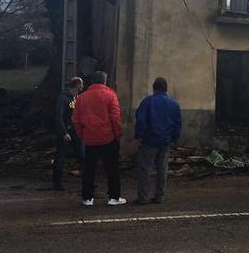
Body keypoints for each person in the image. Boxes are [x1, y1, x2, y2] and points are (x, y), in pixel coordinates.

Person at [72, 71, 126, 207]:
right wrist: (117, 134)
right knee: (112, 168)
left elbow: (76, 120)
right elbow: (115, 117)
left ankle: (87, 198)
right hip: (108, 138)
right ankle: (114, 196)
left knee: (89, 169)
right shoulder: (110, 95)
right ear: (105, 81)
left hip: (90, 138)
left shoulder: (81, 98)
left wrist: (82, 135)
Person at [134, 77, 182, 204]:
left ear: (154, 88)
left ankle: (143, 197)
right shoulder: (174, 104)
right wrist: (174, 138)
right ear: (166, 88)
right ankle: (159, 196)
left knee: (145, 169)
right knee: (162, 169)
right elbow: (178, 124)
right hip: (165, 141)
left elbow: (141, 120)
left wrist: (139, 135)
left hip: (149, 141)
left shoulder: (147, 102)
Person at [51, 76, 84, 190]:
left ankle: (87, 180)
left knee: (82, 156)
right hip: (66, 131)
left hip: (75, 131)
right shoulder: (63, 99)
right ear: (77, 85)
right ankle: (56, 182)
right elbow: (59, 117)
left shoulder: (76, 97)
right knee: (60, 156)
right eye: (81, 84)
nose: (82, 86)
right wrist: (64, 132)